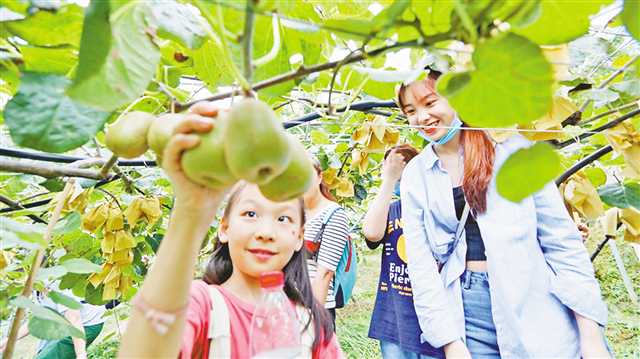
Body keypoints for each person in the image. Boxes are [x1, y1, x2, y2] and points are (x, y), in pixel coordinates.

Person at [397, 70, 610, 358]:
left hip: (533, 297)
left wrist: (590, 334)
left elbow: (562, 244)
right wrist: (449, 341)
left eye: (430, 103)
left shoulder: (512, 150)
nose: (421, 117)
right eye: (411, 111)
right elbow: (421, 265)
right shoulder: (415, 174)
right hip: (466, 309)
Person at [117, 103, 342, 358]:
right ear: (224, 228)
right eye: (250, 214)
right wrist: (190, 212)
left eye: (283, 219)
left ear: (299, 237)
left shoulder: (312, 326)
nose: (266, 232)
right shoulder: (201, 305)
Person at [362, 144, 444, 359]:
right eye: (388, 167)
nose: (391, 171)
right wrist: (388, 181)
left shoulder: (435, 206)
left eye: (398, 167)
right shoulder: (390, 209)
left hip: (431, 313)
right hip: (394, 316)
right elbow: (371, 233)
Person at [302, 158, 350, 328]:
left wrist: (312, 319)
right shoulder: (291, 210)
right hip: (286, 305)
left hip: (314, 306)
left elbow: (325, 274)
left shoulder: (334, 215)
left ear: (319, 177)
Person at [0, 288, 105, 359]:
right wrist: (10, 339)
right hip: (62, 324)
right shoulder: (38, 286)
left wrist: (81, 354)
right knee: (42, 354)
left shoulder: (57, 285)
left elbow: (74, 319)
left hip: (85, 325)